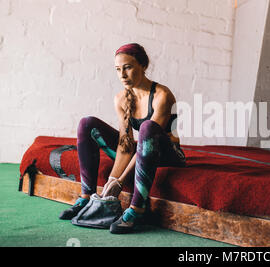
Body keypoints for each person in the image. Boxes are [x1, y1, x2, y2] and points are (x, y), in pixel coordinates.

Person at [59, 43, 186, 234]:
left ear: (143, 66)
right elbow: (125, 146)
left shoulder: (162, 96)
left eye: (128, 67)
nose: (122, 75)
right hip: (142, 152)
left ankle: (137, 209)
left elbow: (148, 138)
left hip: (169, 155)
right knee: (87, 124)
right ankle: (87, 197)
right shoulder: (121, 98)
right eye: (118, 69)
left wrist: (121, 181)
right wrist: (112, 180)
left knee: (147, 127)